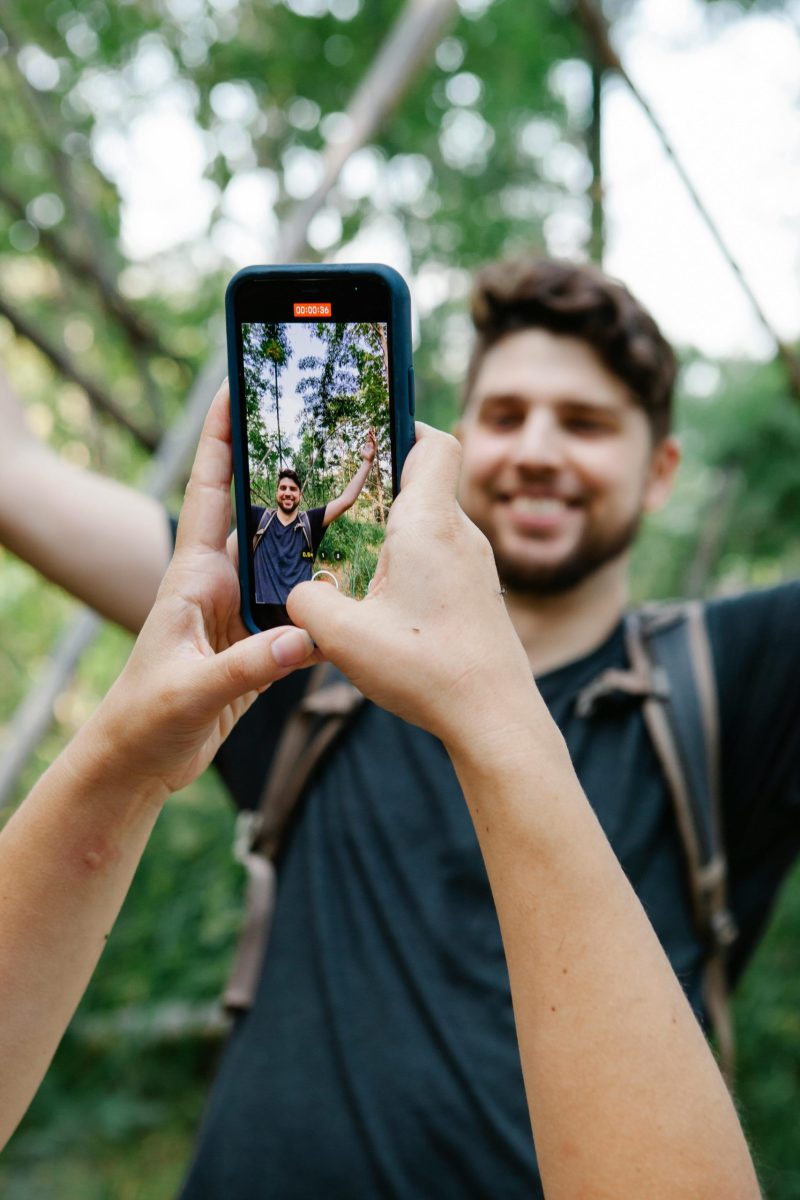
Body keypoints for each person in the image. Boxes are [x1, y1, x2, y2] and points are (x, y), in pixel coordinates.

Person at [0, 257, 796, 1195]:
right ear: (451, 446)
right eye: (505, 416)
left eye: (584, 423)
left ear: (661, 469)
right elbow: (17, 478)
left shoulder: (732, 679)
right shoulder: (311, 645)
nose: (538, 448)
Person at [250, 430, 376, 620]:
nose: (287, 493)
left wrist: (367, 462)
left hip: (300, 617)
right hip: (260, 618)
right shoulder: (258, 518)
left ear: (300, 495)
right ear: (277, 492)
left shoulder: (310, 522)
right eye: (283, 488)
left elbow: (346, 500)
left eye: (293, 489)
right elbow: (227, 503)